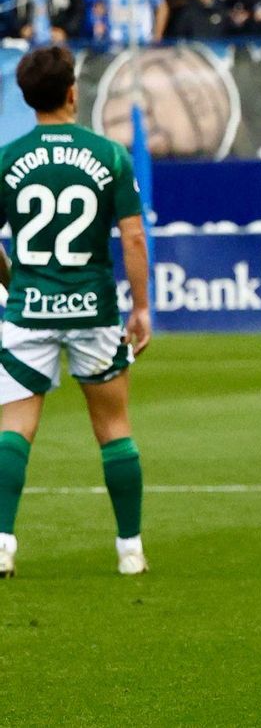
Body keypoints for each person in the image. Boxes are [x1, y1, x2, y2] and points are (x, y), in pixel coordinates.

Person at [0, 46, 152, 578]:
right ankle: (129, 549)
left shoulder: (7, 158)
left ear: (25, 97)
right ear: (72, 92)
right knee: (114, 427)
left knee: (14, 429)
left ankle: (1, 542)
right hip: (92, 308)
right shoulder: (110, 155)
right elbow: (132, 237)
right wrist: (143, 309)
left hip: (28, 310)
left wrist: (10, 278)